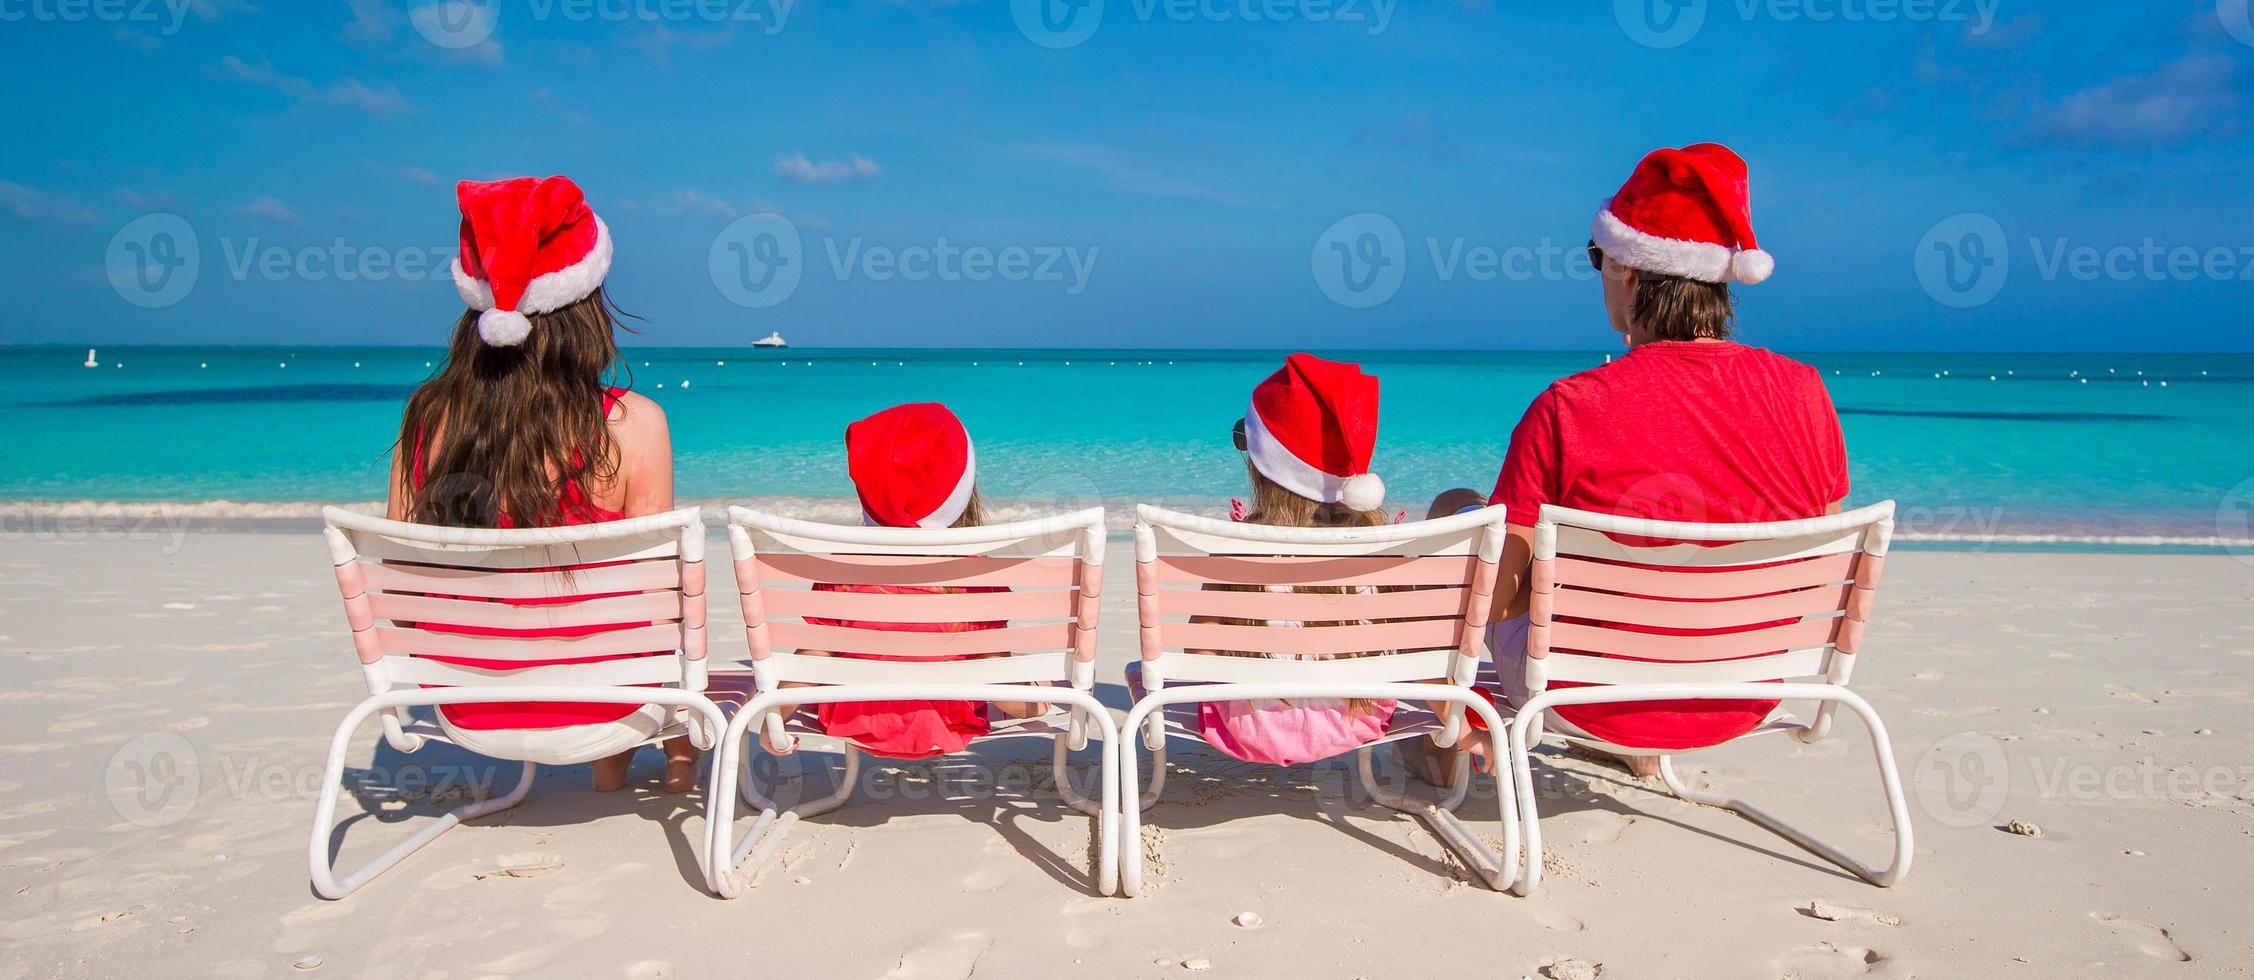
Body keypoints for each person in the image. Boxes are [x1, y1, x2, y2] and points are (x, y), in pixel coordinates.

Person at [1408, 143, 1849, 782]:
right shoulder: (1806, 393)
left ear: (1631, 273)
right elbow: (1820, 563)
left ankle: (1449, 743)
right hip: (1744, 692)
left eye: (1599, 259)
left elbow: (1496, 600)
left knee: (1458, 506)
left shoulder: (1569, 408)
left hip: (1585, 700)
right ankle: (1639, 746)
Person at [388, 174, 699, 794]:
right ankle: (631, 769)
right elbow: (651, 612)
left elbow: (403, 583)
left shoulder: (427, 420)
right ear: (585, 305)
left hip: (467, 704)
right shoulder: (633, 425)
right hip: (601, 711)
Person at [785, 402, 1042, 759]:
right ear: (959, 492)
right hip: (947, 722)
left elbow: (811, 659)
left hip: (858, 720)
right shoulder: (974, 579)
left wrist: (773, 717)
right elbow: (1002, 693)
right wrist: (1039, 702)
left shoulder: (841, 576)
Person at [1194, 353, 1402, 767]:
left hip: (1253, 728)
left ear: (1265, 467)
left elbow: (1200, 648)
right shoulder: (1381, 549)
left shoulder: (1241, 547)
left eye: (1245, 440)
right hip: (1357, 720)